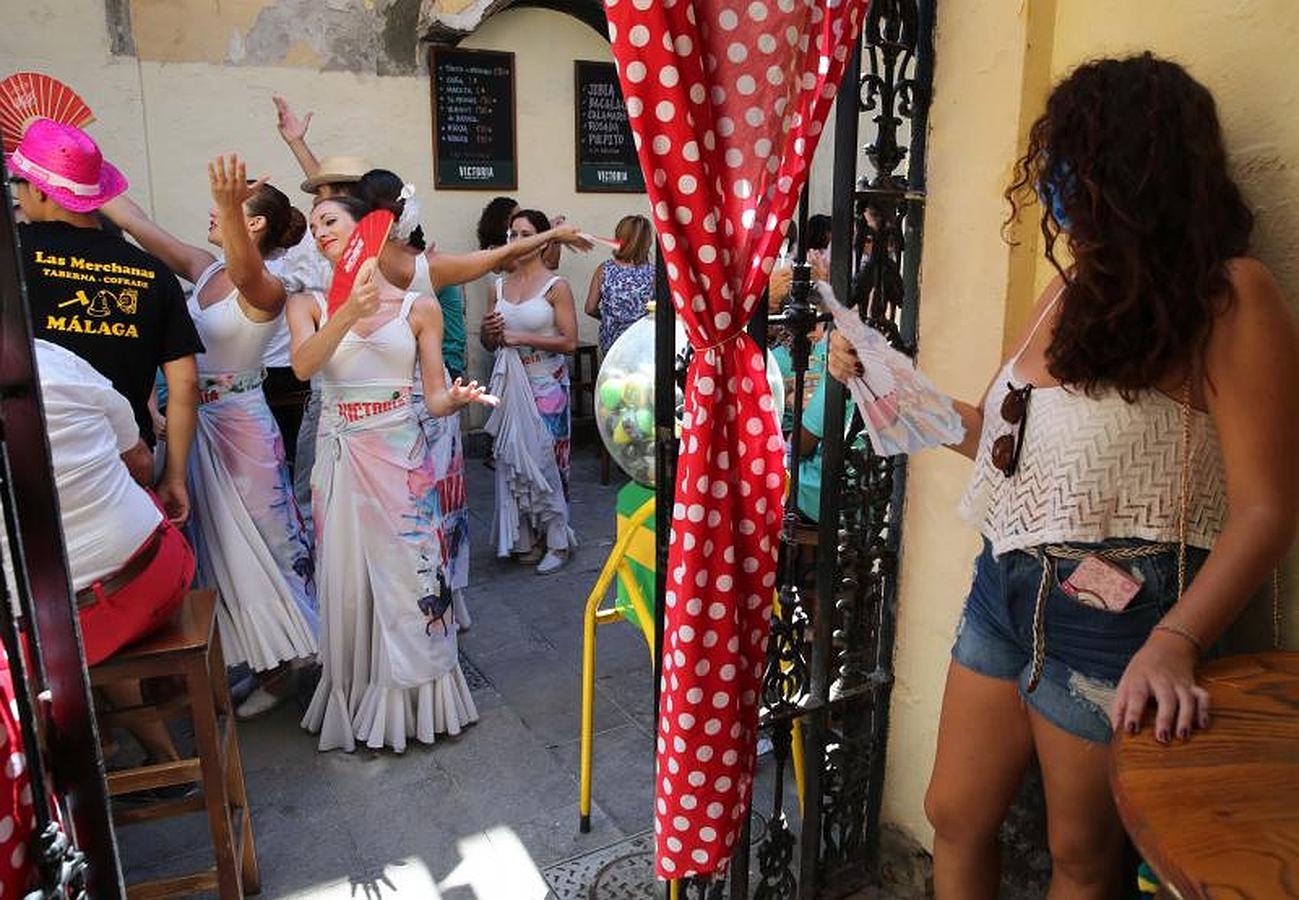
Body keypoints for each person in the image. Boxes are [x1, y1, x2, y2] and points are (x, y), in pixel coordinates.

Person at [826, 54, 1299, 898]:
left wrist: (1174, 641)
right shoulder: (1062, 291)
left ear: (1132, 169)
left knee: (1082, 856)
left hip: (1125, 610)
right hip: (1003, 582)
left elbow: (1267, 509)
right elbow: (1001, 442)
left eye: (1070, 161)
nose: (1051, 183)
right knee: (953, 811)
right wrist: (879, 376)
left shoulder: (1231, 296)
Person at [290, 193, 577, 752]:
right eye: (313, 224)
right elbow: (304, 365)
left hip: (401, 452)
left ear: (368, 231)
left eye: (330, 221)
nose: (319, 231)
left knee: (413, 571)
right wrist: (347, 308)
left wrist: (456, 399)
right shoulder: (309, 304)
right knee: (346, 573)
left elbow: (434, 396)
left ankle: (421, 699)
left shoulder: (418, 306)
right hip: (342, 453)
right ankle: (357, 693)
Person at [103, 155, 320, 718]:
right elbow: (137, 224)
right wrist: (76, 168)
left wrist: (228, 204)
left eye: (227, 208)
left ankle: (294, 659)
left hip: (243, 428)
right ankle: (262, 658)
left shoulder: (266, 288)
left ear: (253, 225)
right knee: (215, 547)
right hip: (194, 424)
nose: (211, 210)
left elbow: (248, 274)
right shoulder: (203, 270)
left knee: (262, 544)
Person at [9, 119, 202, 526]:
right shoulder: (153, 273)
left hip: (29, 463)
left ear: (41, 191)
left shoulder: (12, 258)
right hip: (125, 467)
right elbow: (184, 384)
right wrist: (176, 477)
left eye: (18, 185)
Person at [29, 338, 197, 762]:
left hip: (70, 628)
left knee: (69, 624)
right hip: (158, 572)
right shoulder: (52, 358)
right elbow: (139, 460)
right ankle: (159, 701)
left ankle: (126, 749)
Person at [272, 95, 373, 540]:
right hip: (330, 398)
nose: (325, 205)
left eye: (340, 193)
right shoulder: (314, 256)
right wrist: (298, 145)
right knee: (319, 502)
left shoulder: (386, 244)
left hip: (385, 402)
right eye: (321, 197)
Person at [481, 209, 580, 575]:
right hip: (509, 382)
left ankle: (557, 538)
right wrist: (489, 331)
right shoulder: (498, 286)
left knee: (547, 460)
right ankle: (526, 536)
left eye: (525, 233)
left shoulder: (556, 287)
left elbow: (569, 342)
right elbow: (489, 342)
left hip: (545, 384)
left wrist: (521, 337)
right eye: (512, 233)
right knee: (512, 460)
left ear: (541, 241)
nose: (516, 241)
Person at [583, 213, 654, 355]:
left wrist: (610, 318)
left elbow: (590, 308)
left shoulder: (605, 269)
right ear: (646, 241)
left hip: (612, 343)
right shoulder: (654, 273)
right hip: (643, 342)